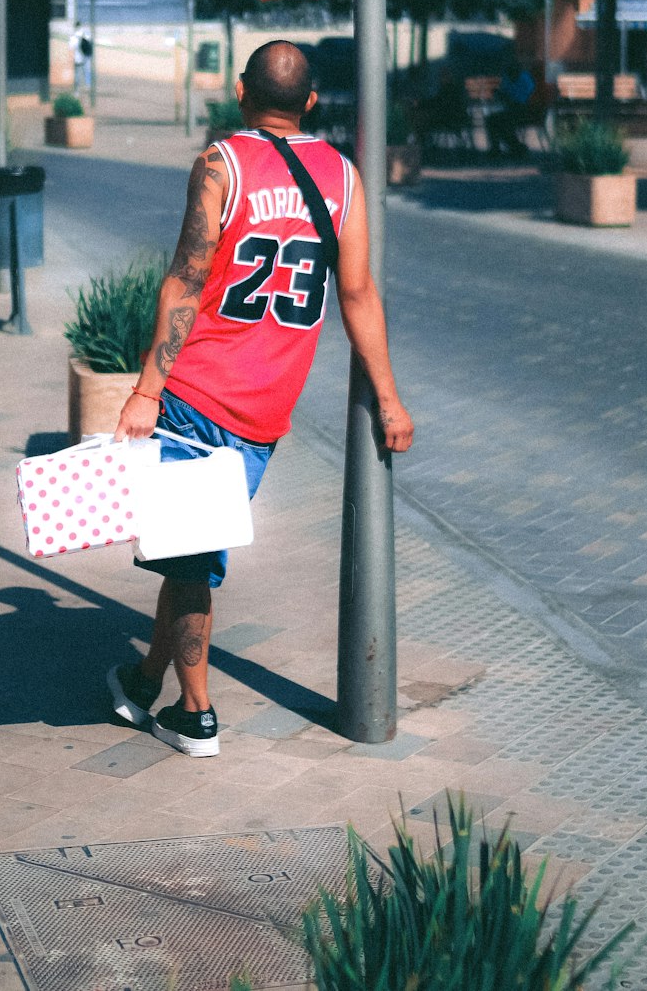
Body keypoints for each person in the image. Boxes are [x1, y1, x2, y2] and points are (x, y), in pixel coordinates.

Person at [107, 40, 413, 757]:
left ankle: (197, 715)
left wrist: (145, 391)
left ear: (241, 92)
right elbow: (360, 294)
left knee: (189, 560)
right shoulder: (342, 176)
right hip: (265, 412)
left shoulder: (222, 164)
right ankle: (147, 679)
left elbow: (186, 278)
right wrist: (391, 400)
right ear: (310, 102)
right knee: (189, 554)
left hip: (195, 395)